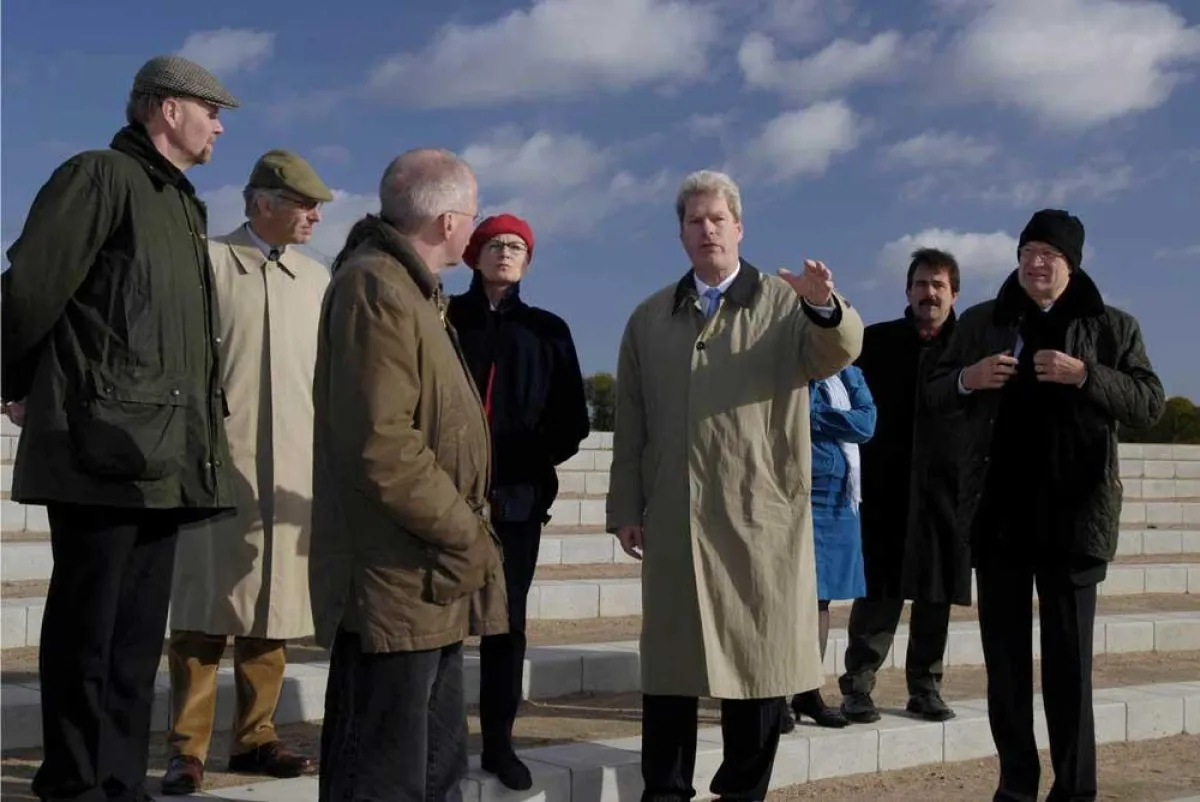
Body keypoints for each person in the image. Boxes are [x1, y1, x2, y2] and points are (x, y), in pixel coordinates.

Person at [0, 55, 239, 802]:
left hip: (162, 454)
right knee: (88, 635)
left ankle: (116, 780)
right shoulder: (99, 176)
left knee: (135, 643)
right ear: (167, 110)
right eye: (211, 110)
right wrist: (13, 381)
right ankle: (73, 782)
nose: (220, 125)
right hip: (98, 445)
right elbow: (31, 285)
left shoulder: (181, 202)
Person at [606, 169, 863, 801]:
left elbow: (839, 351)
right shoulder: (648, 319)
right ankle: (664, 792)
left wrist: (824, 305)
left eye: (718, 218)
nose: (707, 229)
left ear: (739, 228)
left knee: (757, 665)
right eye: (694, 220)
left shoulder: (783, 304)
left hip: (758, 517)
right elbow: (630, 421)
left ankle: (742, 794)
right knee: (669, 670)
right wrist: (624, 507)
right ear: (681, 234)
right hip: (673, 516)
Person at [925, 209, 1164, 802]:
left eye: (1049, 254)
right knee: (1005, 669)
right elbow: (931, 392)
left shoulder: (1113, 327)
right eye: (1028, 250)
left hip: (1075, 521)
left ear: (1072, 264)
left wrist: (1088, 375)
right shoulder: (983, 321)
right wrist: (967, 379)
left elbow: (1150, 403)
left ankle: (1075, 789)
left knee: (1069, 672)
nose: (1036, 262)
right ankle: (1016, 785)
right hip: (999, 519)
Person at [309, 148, 508, 802]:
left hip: (428, 577)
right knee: (384, 775)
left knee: (433, 771)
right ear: (449, 220)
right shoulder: (376, 286)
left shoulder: (413, 290)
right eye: (472, 215)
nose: (474, 229)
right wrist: (465, 534)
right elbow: (383, 444)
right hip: (397, 576)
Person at [160, 150, 333, 794]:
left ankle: (257, 737)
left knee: (273, 607)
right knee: (203, 609)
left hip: (292, 469)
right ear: (263, 203)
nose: (315, 215)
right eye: (304, 204)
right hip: (213, 462)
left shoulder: (317, 279)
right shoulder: (205, 263)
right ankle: (188, 748)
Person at [447, 213, 590, 790]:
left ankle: (500, 743)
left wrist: (523, 464)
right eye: (494, 245)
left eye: (516, 246)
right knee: (441, 625)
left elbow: (572, 421)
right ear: (475, 254)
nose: (505, 253)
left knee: (506, 627)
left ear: (527, 260)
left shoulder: (549, 329)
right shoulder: (446, 318)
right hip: (447, 495)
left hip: (518, 500)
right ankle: (440, 740)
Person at [837, 248, 968, 724]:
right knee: (878, 593)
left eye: (938, 285)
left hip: (945, 491)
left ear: (954, 293)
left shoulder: (970, 346)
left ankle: (925, 687)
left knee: (935, 594)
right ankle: (857, 686)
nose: (928, 293)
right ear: (907, 291)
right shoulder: (877, 342)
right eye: (920, 284)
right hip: (885, 486)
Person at [787, 364, 875, 730]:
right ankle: (775, 695)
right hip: (796, 494)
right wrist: (835, 417)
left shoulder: (850, 374)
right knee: (789, 599)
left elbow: (866, 424)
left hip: (839, 499)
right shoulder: (790, 369)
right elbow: (791, 414)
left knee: (821, 600)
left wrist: (816, 414)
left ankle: (807, 692)